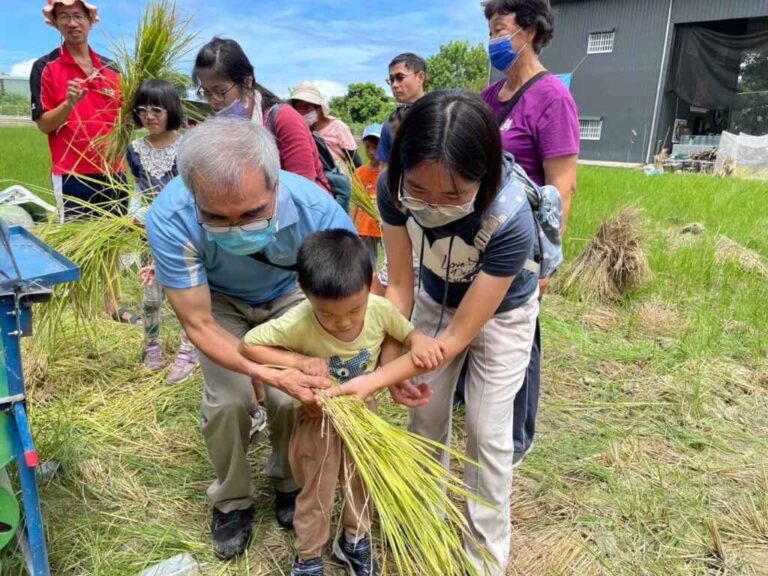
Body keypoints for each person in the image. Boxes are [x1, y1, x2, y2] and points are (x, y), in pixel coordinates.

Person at [329, 90, 540, 575]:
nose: (433, 205)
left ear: (483, 178)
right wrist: (389, 358)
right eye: (420, 191)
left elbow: (459, 335)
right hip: (433, 293)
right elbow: (400, 284)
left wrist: (373, 382)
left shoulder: (509, 218)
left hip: (501, 311)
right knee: (424, 421)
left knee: (487, 433)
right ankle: (421, 528)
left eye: (453, 196)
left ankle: (484, 557)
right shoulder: (390, 187)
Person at [145, 117, 353, 560]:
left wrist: (306, 366)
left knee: (291, 399)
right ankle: (232, 500)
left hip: (290, 298)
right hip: (217, 302)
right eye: (216, 217)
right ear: (193, 194)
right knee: (229, 400)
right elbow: (199, 324)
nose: (236, 227)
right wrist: (261, 371)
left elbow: (345, 296)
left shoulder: (318, 214)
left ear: (276, 186)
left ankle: (288, 480)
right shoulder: (171, 216)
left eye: (252, 213)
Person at [240, 230, 441, 576]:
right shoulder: (300, 320)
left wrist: (419, 339)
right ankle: (308, 556)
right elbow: (249, 344)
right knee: (316, 488)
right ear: (306, 293)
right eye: (330, 315)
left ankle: (354, 539)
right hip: (319, 418)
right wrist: (299, 363)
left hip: (366, 416)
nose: (344, 321)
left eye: (354, 309)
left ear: (369, 284)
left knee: (362, 479)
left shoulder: (379, 309)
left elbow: (404, 332)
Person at [480, 0, 580, 466]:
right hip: (484, 234)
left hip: (526, 240)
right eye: (491, 30)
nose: (494, 40)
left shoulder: (552, 97)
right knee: (481, 318)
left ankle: (518, 435)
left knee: (522, 329)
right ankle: (479, 404)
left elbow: (563, 187)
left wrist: (546, 256)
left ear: (531, 31)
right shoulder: (487, 97)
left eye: (501, 29)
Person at [30, 0, 136, 323]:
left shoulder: (112, 68)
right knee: (78, 242)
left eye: (79, 16)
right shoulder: (46, 67)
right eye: (64, 16)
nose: (72, 23)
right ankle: (80, 311)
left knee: (111, 242)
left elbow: (124, 120)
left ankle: (111, 307)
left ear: (91, 21)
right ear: (55, 23)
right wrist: (69, 103)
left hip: (112, 171)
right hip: (71, 172)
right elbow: (44, 124)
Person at [126, 79, 200, 385]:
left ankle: (189, 349)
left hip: (183, 231)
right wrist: (135, 213)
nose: (150, 117)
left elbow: (193, 192)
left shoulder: (187, 146)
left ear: (171, 110)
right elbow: (137, 189)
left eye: (157, 109)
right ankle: (151, 345)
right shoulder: (135, 149)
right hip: (149, 232)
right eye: (142, 110)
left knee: (186, 294)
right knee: (151, 293)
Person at [192, 37, 330, 193]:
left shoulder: (284, 119)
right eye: (207, 92)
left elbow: (303, 189)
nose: (214, 101)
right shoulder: (222, 126)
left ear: (247, 82)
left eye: (221, 91)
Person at [289, 82, 361, 175]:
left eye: (307, 106)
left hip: (339, 178)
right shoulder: (302, 131)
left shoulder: (338, 127)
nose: (302, 111)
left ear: (318, 108)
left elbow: (355, 160)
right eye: (299, 107)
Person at [375, 53, 428, 164]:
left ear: (420, 77)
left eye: (400, 78)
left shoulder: (442, 116)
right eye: (391, 79)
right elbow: (385, 168)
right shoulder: (390, 124)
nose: (394, 85)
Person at [351, 124, 383, 269]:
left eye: (376, 146)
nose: (371, 151)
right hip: (365, 225)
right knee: (368, 263)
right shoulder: (360, 172)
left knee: (391, 261)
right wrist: (351, 225)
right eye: (368, 147)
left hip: (384, 224)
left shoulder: (390, 172)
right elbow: (356, 202)